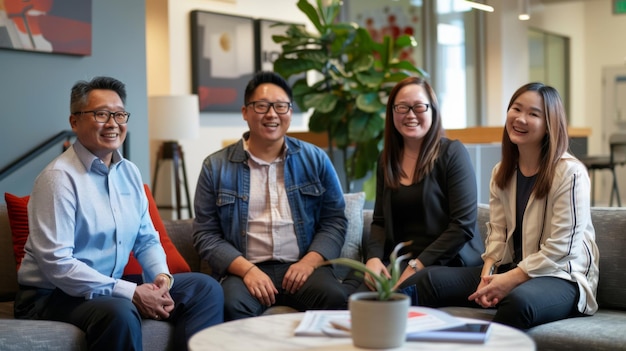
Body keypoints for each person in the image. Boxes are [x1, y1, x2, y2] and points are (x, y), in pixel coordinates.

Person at [14, 76, 224, 350]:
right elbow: (58, 264)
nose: (113, 123)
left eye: (120, 114)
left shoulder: (130, 173)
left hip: (108, 286)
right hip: (53, 295)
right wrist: (130, 292)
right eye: (101, 114)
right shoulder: (57, 178)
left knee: (204, 288)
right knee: (120, 313)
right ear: (74, 122)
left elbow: (147, 239)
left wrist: (161, 279)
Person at [412, 82, 599, 329]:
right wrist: (486, 276)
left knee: (518, 302)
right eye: (516, 109)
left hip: (563, 277)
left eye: (533, 114)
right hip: (513, 268)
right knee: (427, 280)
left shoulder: (570, 173)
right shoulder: (502, 172)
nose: (520, 119)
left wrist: (509, 280)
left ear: (549, 125)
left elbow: (562, 249)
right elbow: (497, 234)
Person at [192, 71, 348, 320]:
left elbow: (335, 220)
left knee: (335, 298)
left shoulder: (315, 159)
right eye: (262, 106)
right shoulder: (216, 166)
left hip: (302, 266)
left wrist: (309, 262)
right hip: (246, 269)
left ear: (290, 111)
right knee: (230, 305)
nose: (272, 114)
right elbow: (205, 234)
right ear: (245, 112)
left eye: (280, 106)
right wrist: (247, 270)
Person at [355, 76, 484, 299]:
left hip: (451, 263)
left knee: (412, 288)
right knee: (358, 294)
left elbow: (462, 226)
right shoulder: (386, 160)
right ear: (392, 112)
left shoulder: (452, 153)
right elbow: (379, 222)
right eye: (402, 107)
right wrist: (373, 259)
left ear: (432, 111)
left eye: (419, 107)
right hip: (404, 263)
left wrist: (416, 266)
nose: (410, 114)